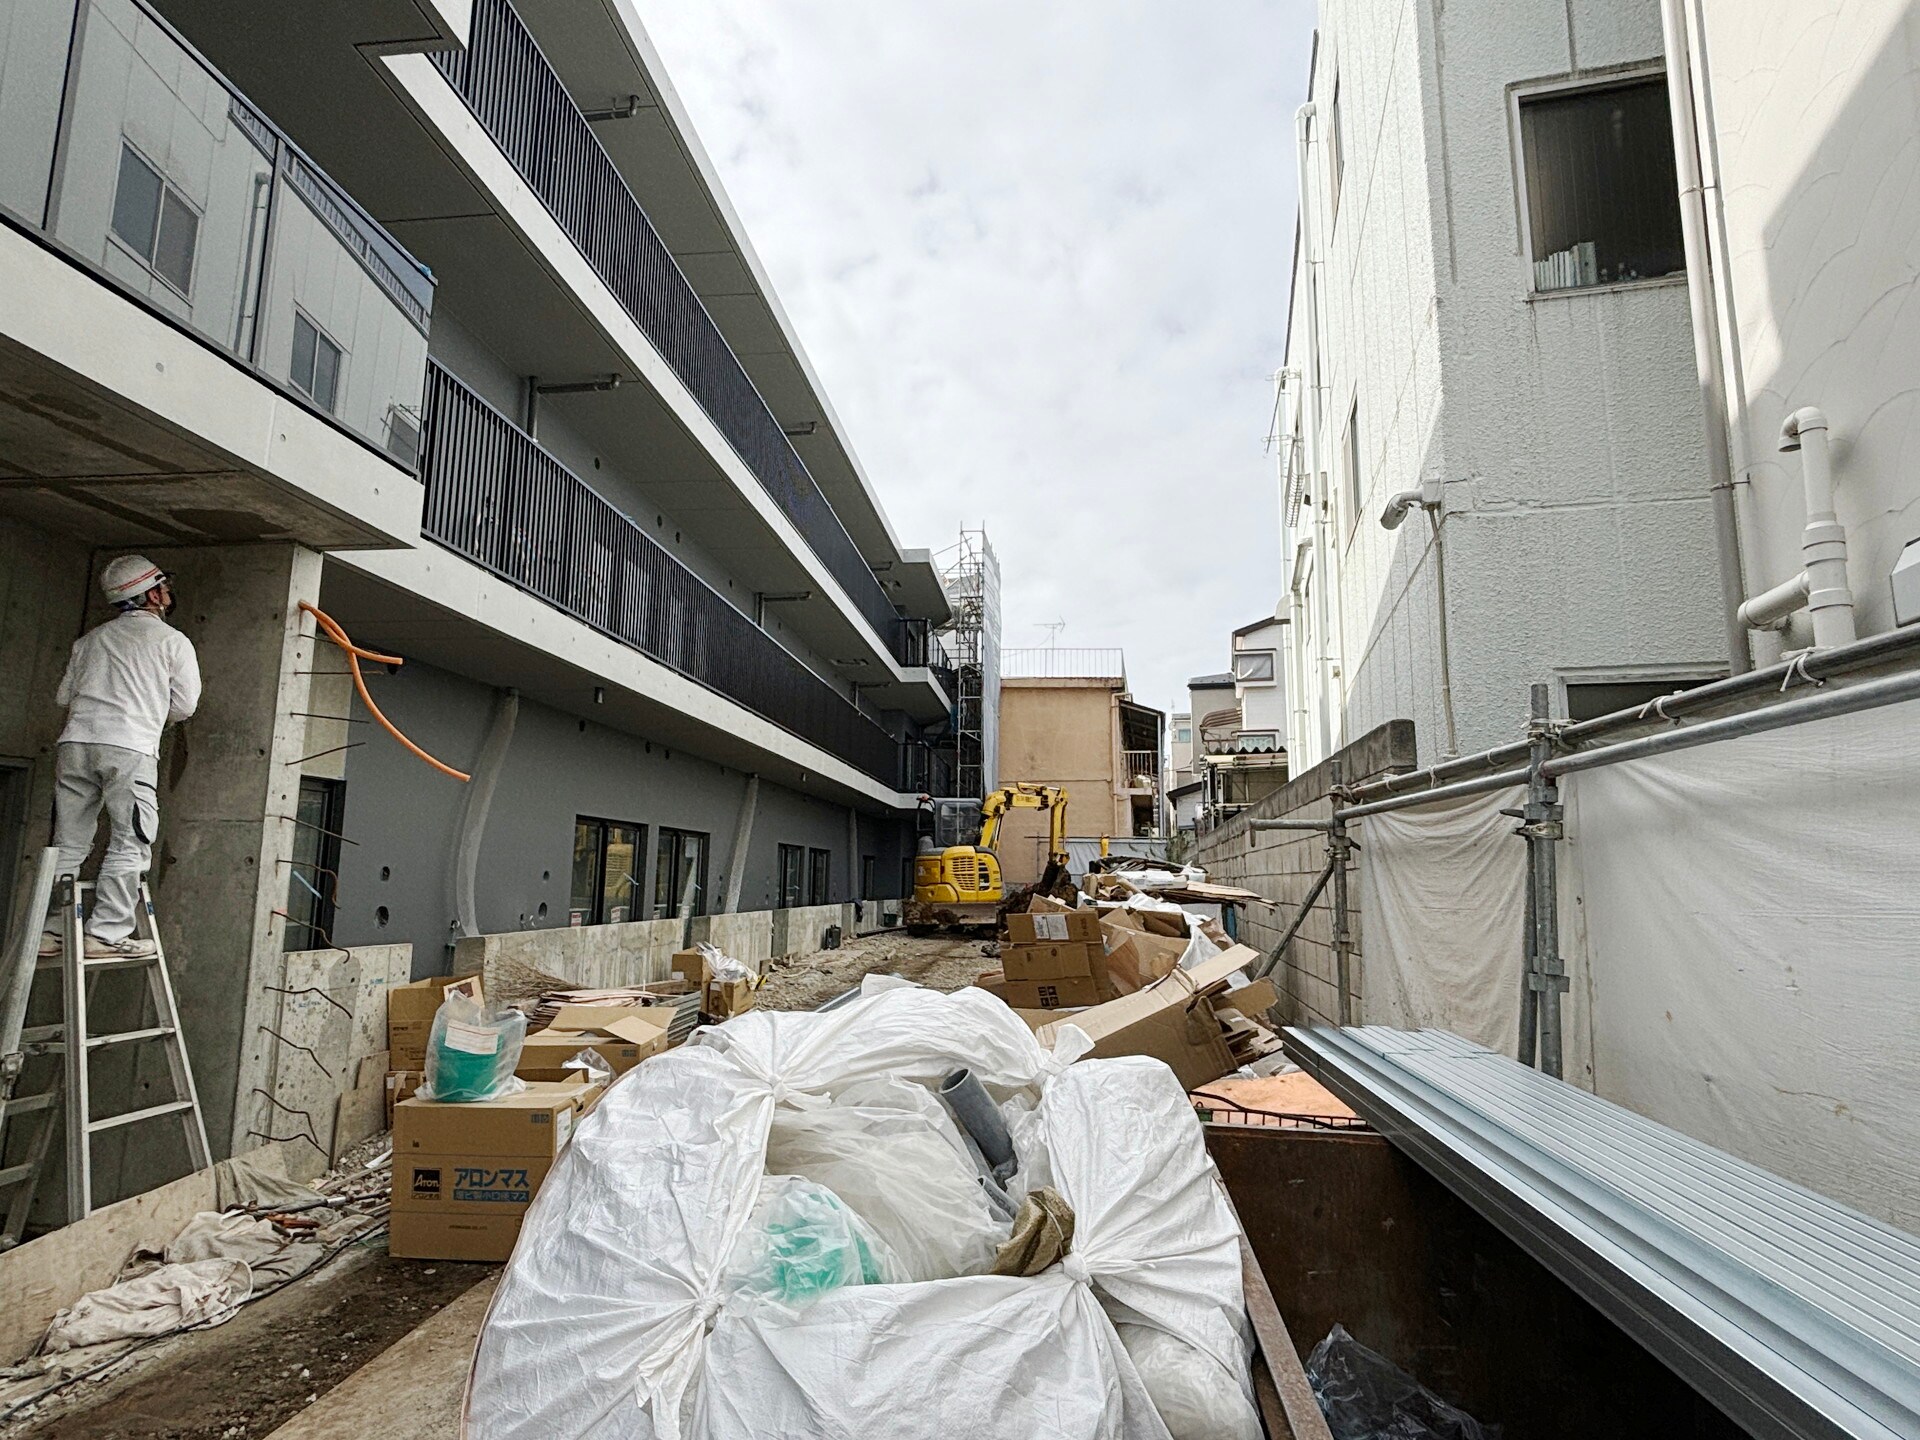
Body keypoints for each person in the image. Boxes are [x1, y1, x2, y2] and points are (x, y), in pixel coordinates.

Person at [41, 556, 201, 960]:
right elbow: (184, 706)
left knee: (69, 842)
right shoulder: (172, 641)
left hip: (75, 743)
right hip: (128, 748)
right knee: (131, 840)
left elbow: (64, 697)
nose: (168, 592)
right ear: (150, 594)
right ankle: (107, 932)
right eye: (162, 585)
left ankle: (52, 931)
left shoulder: (90, 641)